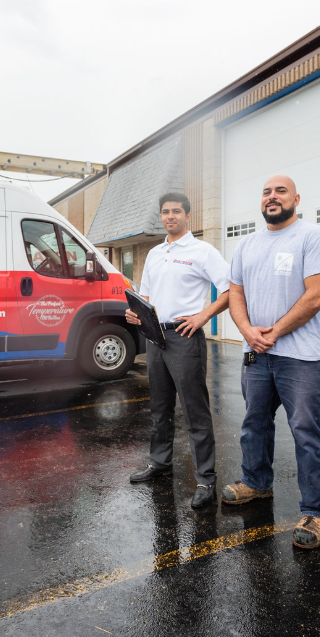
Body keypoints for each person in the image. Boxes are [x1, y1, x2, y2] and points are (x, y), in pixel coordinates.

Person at [222, 175, 320, 550]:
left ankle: (317, 511)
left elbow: (317, 295)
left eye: (281, 191)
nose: (272, 197)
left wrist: (274, 332)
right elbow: (235, 293)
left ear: (296, 198)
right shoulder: (247, 244)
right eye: (266, 191)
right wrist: (246, 330)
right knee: (253, 423)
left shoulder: (312, 238)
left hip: (300, 358)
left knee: (308, 432)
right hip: (256, 354)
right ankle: (255, 482)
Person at [125, 192, 231, 509]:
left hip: (185, 338)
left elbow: (230, 289)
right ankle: (160, 463)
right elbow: (145, 297)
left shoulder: (202, 251)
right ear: (161, 217)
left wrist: (204, 316)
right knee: (159, 409)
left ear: (187, 216)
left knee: (195, 412)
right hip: (155, 337)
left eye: (176, 211)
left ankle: (206, 479)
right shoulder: (156, 253)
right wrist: (135, 315)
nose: (170, 216)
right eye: (165, 212)